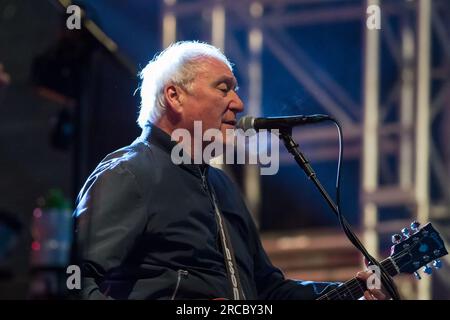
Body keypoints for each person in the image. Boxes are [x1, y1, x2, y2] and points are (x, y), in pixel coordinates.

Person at [74, 41, 386, 300]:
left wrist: (349, 294)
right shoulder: (130, 173)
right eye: (224, 89)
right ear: (174, 96)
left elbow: (267, 291)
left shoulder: (222, 187)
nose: (238, 103)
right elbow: (74, 279)